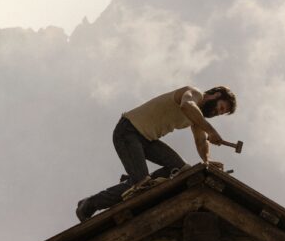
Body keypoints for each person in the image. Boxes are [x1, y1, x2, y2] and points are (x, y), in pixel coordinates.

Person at [75, 86, 237, 222]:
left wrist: (207, 161)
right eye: (221, 108)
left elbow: (201, 141)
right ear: (216, 95)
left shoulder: (197, 117)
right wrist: (211, 130)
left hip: (147, 140)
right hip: (128, 131)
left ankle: (138, 179)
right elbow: (186, 105)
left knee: (182, 170)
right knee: (140, 185)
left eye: (221, 113)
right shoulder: (194, 93)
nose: (217, 112)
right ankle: (90, 204)